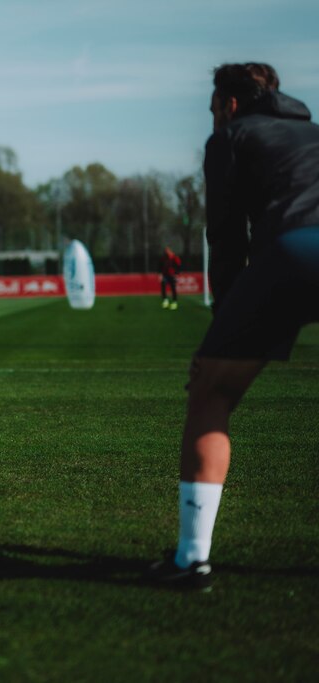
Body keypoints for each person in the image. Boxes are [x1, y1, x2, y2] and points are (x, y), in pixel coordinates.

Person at [147, 63, 319, 589]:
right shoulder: (313, 133)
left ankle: (191, 559)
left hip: (293, 252)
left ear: (231, 104)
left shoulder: (232, 137)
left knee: (212, 391)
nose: (212, 118)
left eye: (213, 109)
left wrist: (223, 323)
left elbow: (225, 237)